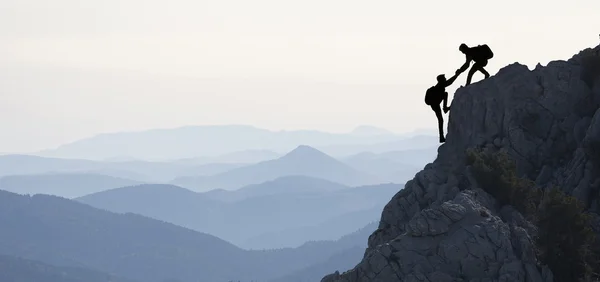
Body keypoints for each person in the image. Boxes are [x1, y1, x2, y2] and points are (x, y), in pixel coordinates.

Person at [425, 69, 462, 143]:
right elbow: (450, 82)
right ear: (441, 80)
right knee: (440, 120)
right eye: (444, 79)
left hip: (435, 103)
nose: (445, 79)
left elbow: (448, 82)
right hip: (435, 103)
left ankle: (445, 108)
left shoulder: (440, 86)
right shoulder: (440, 85)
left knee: (445, 94)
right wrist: (457, 75)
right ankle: (441, 136)